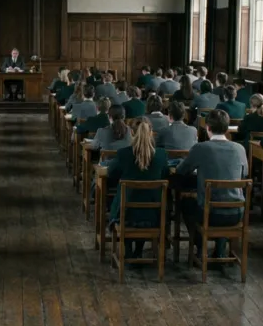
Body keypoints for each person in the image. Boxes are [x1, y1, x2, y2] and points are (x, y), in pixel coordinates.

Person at [176, 109, 248, 258]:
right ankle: (219, 251)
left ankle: (200, 246)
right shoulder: (240, 149)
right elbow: (244, 174)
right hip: (237, 213)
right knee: (222, 197)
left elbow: (181, 170)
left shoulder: (201, 148)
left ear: (207, 127)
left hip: (210, 214)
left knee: (186, 203)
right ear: (227, 128)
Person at [106, 118, 169, 258]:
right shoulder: (161, 155)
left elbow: (111, 173)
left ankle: (128, 249)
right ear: (151, 132)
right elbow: (165, 175)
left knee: (122, 199)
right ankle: (138, 250)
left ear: (132, 133)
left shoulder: (124, 154)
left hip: (126, 214)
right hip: (154, 215)